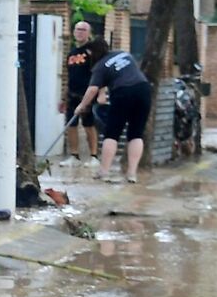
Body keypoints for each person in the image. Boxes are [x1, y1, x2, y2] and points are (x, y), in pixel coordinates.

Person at [68, 47, 152, 184]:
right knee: (136, 134)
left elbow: (92, 89)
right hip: (143, 90)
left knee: (112, 134)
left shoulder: (100, 66)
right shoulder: (123, 53)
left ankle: (104, 172)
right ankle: (131, 174)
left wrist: (81, 106)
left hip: (122, 93)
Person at [64, 20, 106, 163]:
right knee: (71, 125)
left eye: (83, 30)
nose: (80, 32)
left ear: (88, 33)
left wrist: (101, 93)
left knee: (89, 125)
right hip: (72, 94)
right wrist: (63, 97)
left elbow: (101, 74)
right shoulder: (71, 53)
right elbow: (68, 75)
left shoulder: (92, 51)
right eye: (77, 29)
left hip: (88, 94)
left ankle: (94, 156)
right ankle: (74, 155)